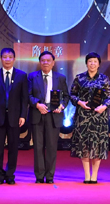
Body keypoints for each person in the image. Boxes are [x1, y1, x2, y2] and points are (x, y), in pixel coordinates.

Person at [28, 51, 70, 184]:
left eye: (48, 60)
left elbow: (66, 96)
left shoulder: (60, 78)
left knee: (51, 147)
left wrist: (61, 106)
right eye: (43, 60)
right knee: (38, 147)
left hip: (54, 116)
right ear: (40, 62)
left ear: (53, 63)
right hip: (37, 114)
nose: (45, 63)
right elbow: (28, 95)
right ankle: (39, 176)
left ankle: (50, 176)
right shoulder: (32, 77)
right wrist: (37, 104)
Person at [0, 48, 29, 185]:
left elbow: (24, 98)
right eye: (5, 57)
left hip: (15, 117)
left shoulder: (22, 75)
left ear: (14, 59)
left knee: (13, 147)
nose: (7, 59)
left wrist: (23, 115)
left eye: (10, 57)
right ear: (1, 59)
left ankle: (10, 174)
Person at [70, 52, 110, 184]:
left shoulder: (104, 79)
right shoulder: (79, 78)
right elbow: (72, 94)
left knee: (97, 145)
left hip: (99, 117)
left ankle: (95, 176)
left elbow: (109, 97)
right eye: (90, 61)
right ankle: (87, 175)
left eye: (95, 61)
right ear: (86, 63)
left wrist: (104, 107)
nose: (92, 64)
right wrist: (80, 102)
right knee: (84, 146)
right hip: (83, 116)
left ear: (99, 64)